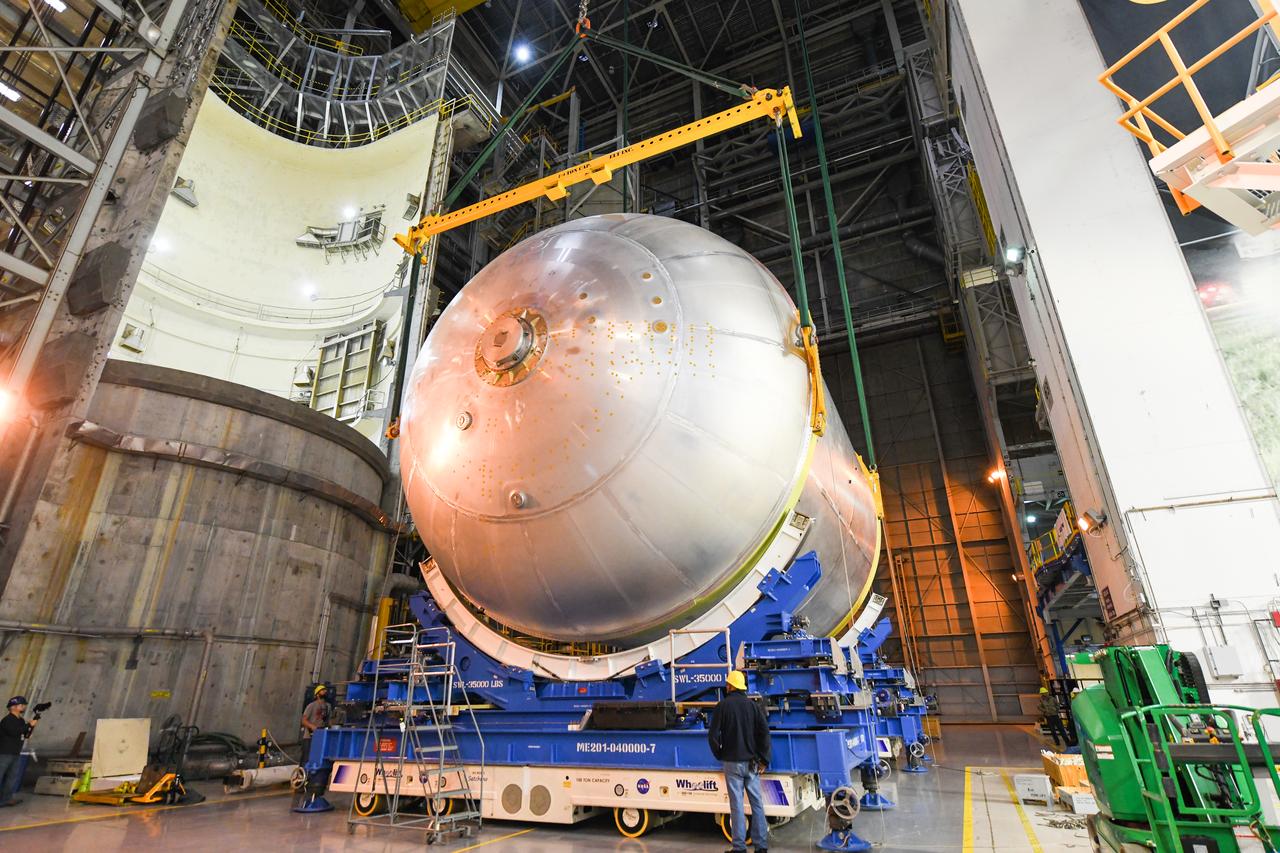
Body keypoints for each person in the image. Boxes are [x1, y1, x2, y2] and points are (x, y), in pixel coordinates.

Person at [708, 670, 771, 853]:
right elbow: (764, 733)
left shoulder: (722, 706)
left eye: (727, 684)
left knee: (736, 806)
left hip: (732, 763)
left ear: (730, 686)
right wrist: (764, 759)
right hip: (752, 763)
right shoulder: (753, 707)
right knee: (757, 803)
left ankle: (739, 848)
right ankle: (761, 847)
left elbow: (712, 736)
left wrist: (720, 753)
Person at [0, 696, 37, 806]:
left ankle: (6, 799)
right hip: (4, 753)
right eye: (22, 705)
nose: (24, 706)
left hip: (15, 752)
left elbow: (25, 734)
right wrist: (29, 725)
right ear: (14, 707)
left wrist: (31, 727)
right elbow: (14, 732)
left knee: (11, 778)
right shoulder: (7, 720)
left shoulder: (20, 720)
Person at [300, 684, 331, 764]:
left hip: (321, 736)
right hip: (309, 736)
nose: (325, 691)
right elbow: (304, 720)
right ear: (317, 694)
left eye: (325, 690)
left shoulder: (328, 706)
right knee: (306, 758)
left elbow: (328, 721)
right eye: (322, 690)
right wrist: (312, 726)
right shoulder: (311, 706)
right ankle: (302, 774)